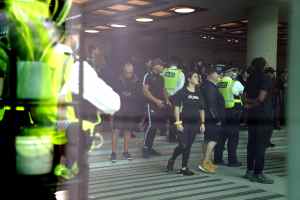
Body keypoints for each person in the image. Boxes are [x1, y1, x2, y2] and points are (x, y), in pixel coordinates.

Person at [166, 71, 205, 175]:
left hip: (194, 124)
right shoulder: (182, 92)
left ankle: (184, 168)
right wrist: (178, 123)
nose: (198, 78)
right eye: (195, 76)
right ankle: (172, 159)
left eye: (198, 76)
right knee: (183, 145)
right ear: (189, 79)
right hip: (183, 123)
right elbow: (177, 108)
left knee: (188, 146)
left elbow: (202, 109)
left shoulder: (199, 92)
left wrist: (202, 123)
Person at [244, 57, 274, 184]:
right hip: (263, 116)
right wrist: (253, 103)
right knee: (261, 145)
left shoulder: (250, 78)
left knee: (251, 144)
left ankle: (249, 171)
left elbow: (243, 96)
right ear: (264, 66)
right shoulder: (266, 78)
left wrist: (249, 105)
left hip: (252, 116)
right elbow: (261, 98)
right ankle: (258, 173)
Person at [111, 62, 141, 162]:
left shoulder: (137, 81)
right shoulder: (117, 80)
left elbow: (138, 95)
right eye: (127, 72)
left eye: (131, 72)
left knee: (127, 131)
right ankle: (113, 153)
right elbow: (113, 93)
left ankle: (126, 151)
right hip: (119, 109)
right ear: (123, 71)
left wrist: (129, 95)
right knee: (116, 130)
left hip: (130, 109)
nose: (129, 74)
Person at [214, 67, 244, 167]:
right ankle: (232, 161)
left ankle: (217, 159)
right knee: (233, 137)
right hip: (234, 112)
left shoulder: (219, 83)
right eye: (234, 71)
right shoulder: (235, 83)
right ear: (228, 72)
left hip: (222, 112)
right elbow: (241, 92)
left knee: (221, 136)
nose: (235, 73)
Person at [198, 65, 225, 173]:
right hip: (212, 118)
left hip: (208, 117)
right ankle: (205, 162)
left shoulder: (208, 85)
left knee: (207, 139)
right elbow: (211, 105)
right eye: (217, 73)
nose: (219, 75)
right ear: (210, 74)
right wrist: (217, 118)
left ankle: (206, 162)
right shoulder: (210, 87)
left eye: (220, 73)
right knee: (213, 140)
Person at [142, 58, 171, 158]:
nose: (163, 67)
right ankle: (145, 149)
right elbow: (145, 91)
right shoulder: (148, 76)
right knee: (151, 126)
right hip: (151, 104)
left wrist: (167, 100)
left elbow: (164, 90)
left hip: (160, 104)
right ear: (155, 66)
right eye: (162, 65)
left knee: (155, 127)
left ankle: (150, 148)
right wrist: (156, 101)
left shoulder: (161, 78)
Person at [162, 56, 185, 142]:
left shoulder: (164, 72)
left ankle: (169, 136)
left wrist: (168, 93)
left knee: (169, 117)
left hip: (165, 96)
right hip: (176, 97)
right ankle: (177, 136)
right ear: (177, 64)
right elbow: (181, 86)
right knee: (177, 117)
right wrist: (173, 93)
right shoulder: (180, 73)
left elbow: (161, 82)